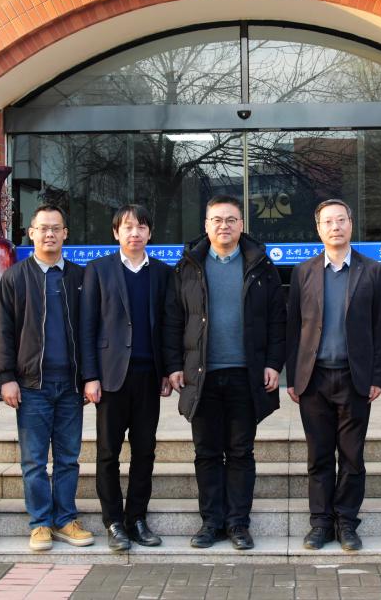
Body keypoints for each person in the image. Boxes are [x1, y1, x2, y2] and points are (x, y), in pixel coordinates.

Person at [164, 195, 286, 550]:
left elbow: (278, 320)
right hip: (202, 376)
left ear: (242, 225)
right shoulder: (188, 266)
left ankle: (237, 524)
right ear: (206, 225)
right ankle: (211, 522)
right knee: (206, 452)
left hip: (245, 375)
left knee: (240, 452)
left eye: (231, 219)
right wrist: (174, 366)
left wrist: (273, 363)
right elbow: (173, 320)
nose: (224, 226)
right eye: (217, 219)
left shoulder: (261, 265)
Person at [286, 199, 381, 552]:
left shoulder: (373, 271)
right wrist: (293, 377)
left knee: (351, 456)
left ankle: (346, 522)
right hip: (314, 379)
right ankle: (320, 523)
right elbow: (292, 328)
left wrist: (378, 376)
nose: (335, 227)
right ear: (318, 229)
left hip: (354, 378)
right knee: (318, 456)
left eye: (341, 220)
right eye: (328, 222)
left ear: (351, 223)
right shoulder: (303, 272)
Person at [0, 204, 94, 551]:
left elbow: (90, 330)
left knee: (67, 458)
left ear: (65, 234)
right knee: (34, 461)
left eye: (56, 228)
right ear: (31, 233)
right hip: (31, 385)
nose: (49, 234)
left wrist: (90, 376)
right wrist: (6, 377)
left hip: (70, 384)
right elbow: (2, 331)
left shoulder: (80, 277)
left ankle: (65, 519)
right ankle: (39, 523)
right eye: (43, 228)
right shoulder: (14, 277)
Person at [80, 204, 176, 553]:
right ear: (116, 233)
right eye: (127, 227)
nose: (135, 233)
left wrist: (167, 370)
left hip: (149, 376)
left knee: (145, 451)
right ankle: (113, 522)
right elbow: (88, 326)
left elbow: (168, 325)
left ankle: (137, 518)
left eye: (141, 227)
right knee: (108, 452)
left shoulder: (163, 272)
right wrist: (90, 376)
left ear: (150, 232)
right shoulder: (99, 270)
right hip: (110, 377)